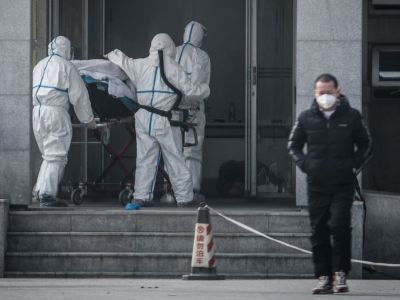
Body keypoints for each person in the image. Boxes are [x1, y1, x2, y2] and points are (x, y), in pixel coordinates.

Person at [287, 74, 372, 294]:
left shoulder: (351, 117)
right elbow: (293, 145)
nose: (325, 96)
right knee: (318, 230)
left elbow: (366, 143)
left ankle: (341, 273)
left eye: (329, 91)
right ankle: (324, 276)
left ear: (338, 91)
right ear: (315, 93)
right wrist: (305, 164)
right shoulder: (306, 117)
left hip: (343, 183)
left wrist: (354, 164)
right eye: (320, 92)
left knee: (340, 226)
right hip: (316, 184)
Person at [105, 33, 210, 208]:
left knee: (145, 159)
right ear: (170, 48)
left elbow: (122, 59)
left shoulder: (139, 64)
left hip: (143, 118)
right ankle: (185, 198)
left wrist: (109, 54)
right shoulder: (174, 68)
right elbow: (191, 91)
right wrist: (205, 89)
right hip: (165, 119)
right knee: (175, 158)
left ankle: (141, 196)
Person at [32, 36, 96, 207]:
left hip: (37, 112)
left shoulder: (39, 65)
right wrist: (88, 120)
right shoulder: (67, 66)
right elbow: (80, 96)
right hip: (55, 112)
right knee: (57, 155)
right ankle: (47, 195)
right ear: (67, 49)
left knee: (48, 154)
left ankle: (39, 191)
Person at [175, 21, 211, 201]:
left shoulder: (172, 52)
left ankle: (173, 190)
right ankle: (193, 190)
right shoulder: (202, 56)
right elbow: (202, 84)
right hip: (194, 110)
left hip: (171, 110)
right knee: (193, 150)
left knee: (173, 149)